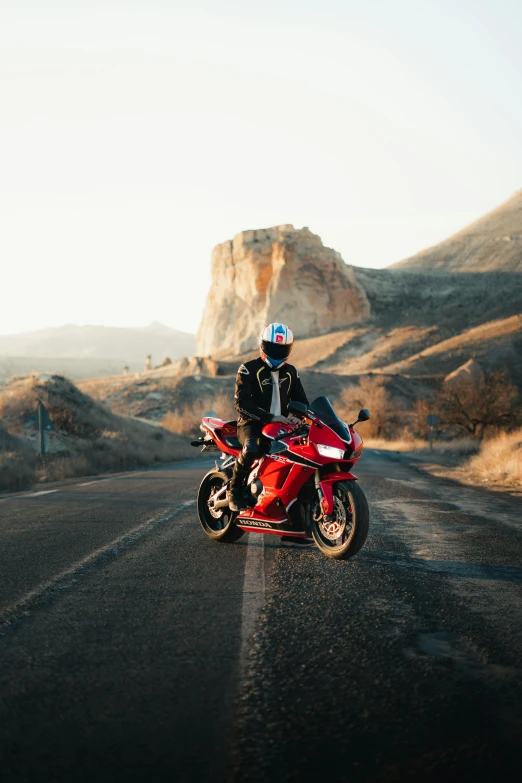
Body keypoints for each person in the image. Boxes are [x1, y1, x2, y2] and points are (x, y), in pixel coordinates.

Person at [227, 323, 309, 512]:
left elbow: (302, 401)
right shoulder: (247, 369)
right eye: (272, 347)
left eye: (281, 349)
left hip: (282, 426)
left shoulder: (291, 372)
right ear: (263, 345)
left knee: (300, 454)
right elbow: (242, 404)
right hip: (251, 423)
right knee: (252, 446)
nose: (276, 352)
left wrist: (298, 416)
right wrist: (269, 417)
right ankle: (235, 489)